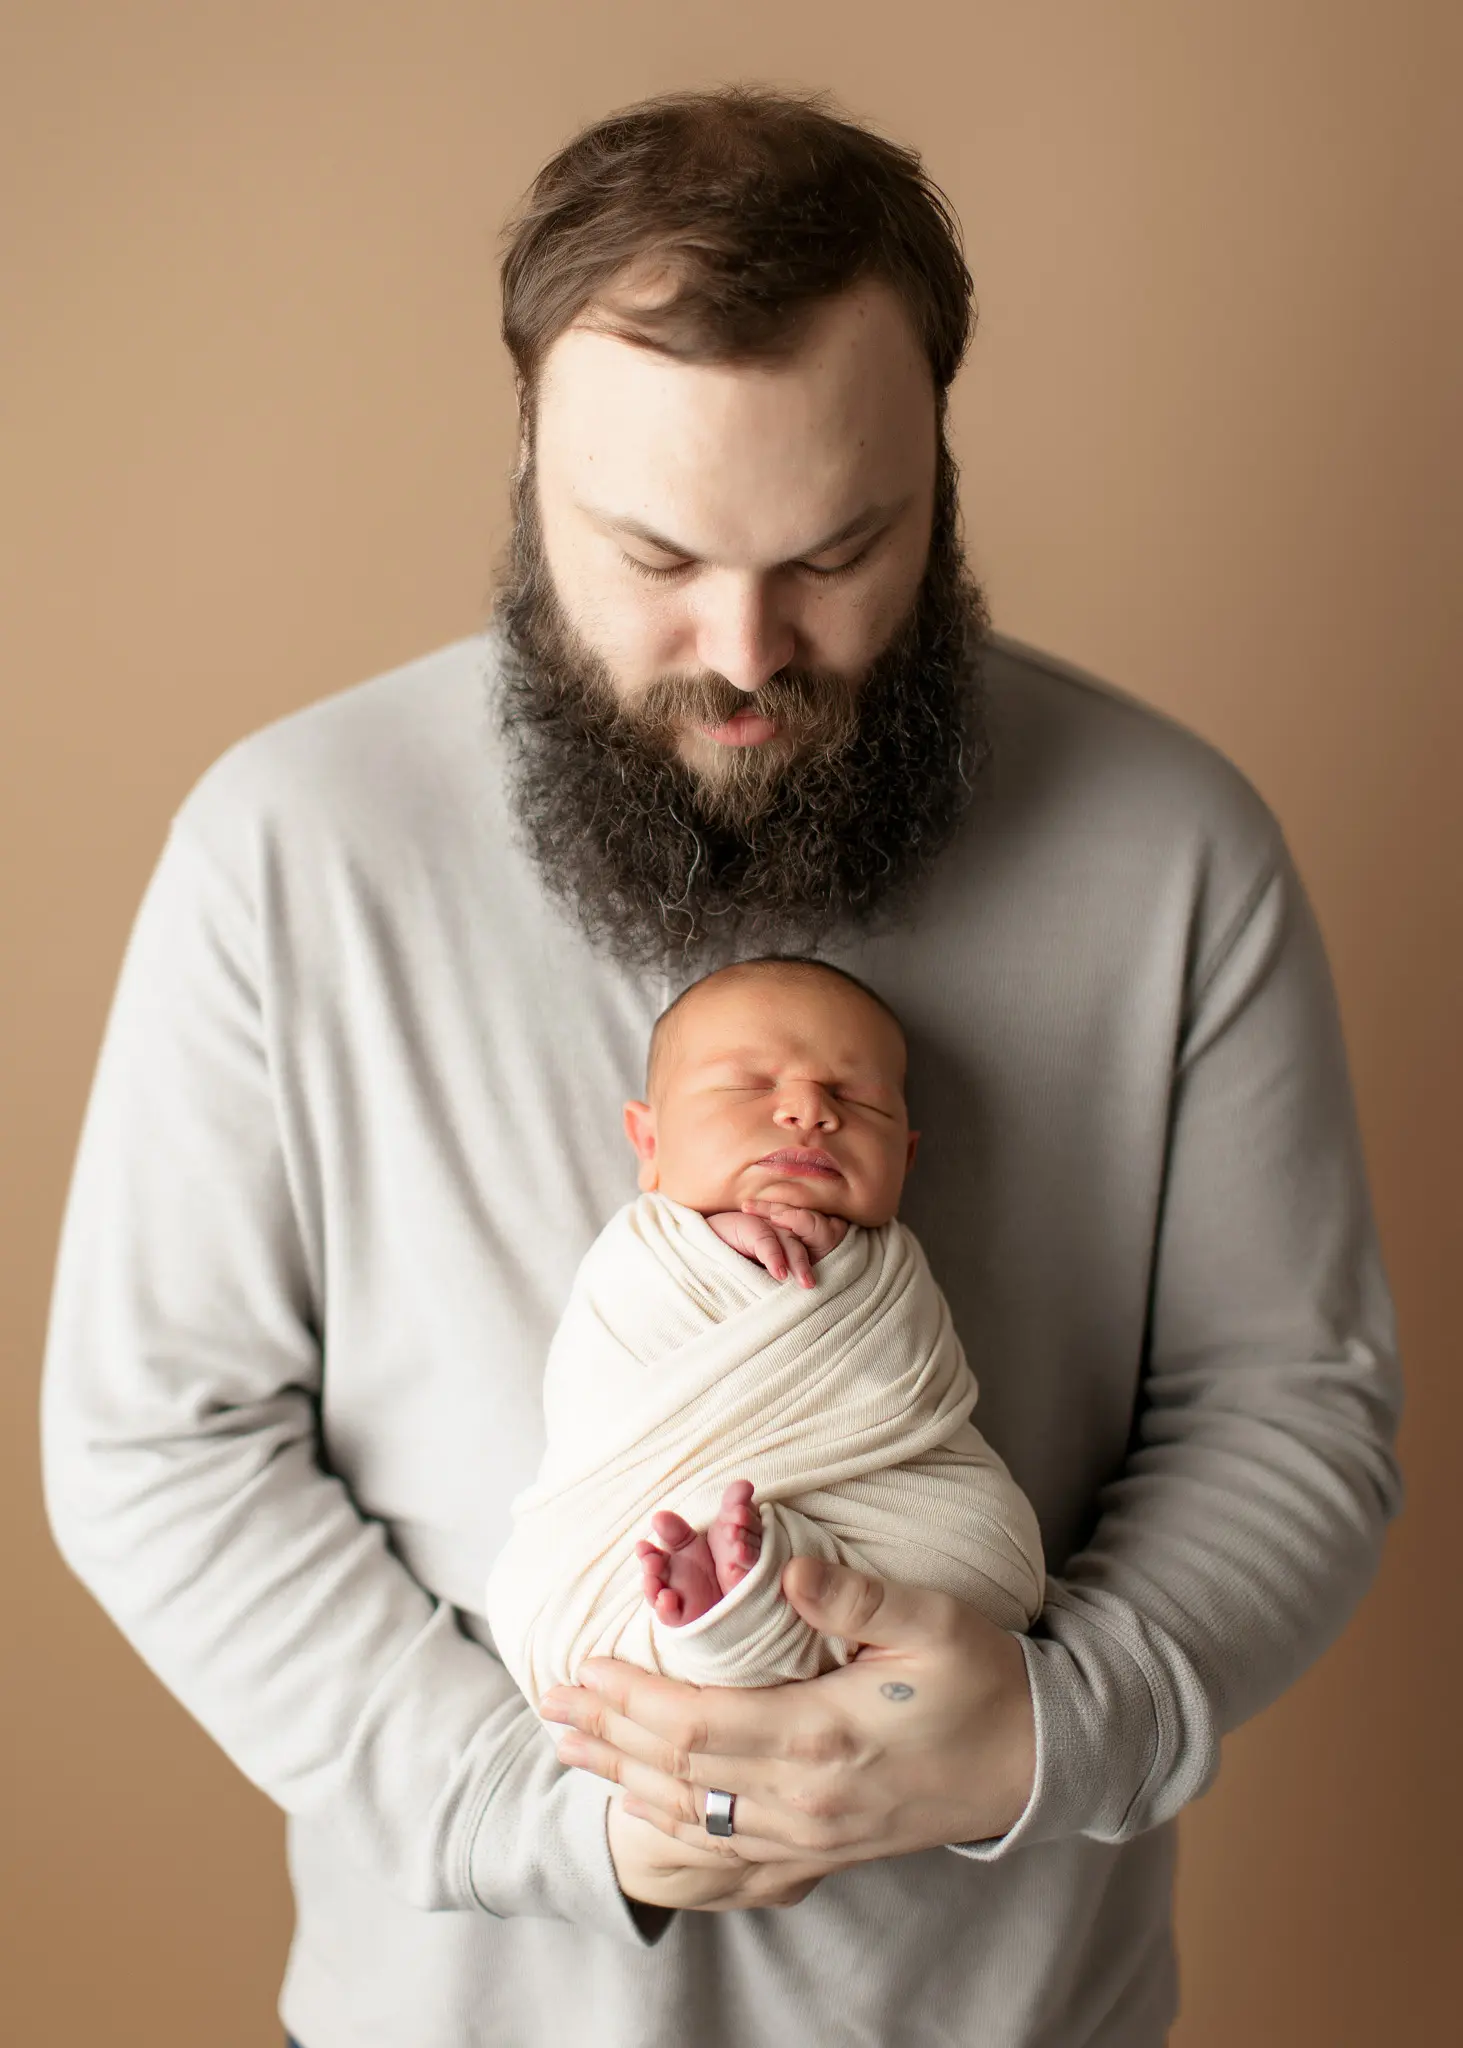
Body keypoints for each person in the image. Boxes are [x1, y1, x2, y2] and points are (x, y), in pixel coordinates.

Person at [40, 85, 1402, 2048]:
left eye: (838, 552)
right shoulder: (283, 851)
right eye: (653, 555)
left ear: (936, 453)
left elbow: (1288, 1405)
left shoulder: (1177, 850)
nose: (745, 650)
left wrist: (1042, 1727)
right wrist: (545, 1811)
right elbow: (154, 1446)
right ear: (525, 454)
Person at [483, 954, 1046, 1711]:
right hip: (644, 1516)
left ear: (905, 1159)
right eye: (751, 1085)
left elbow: (902, 1380)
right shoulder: (642, 1258)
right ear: (647, 1145)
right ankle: (737, 1607)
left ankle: (740, 1604)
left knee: (995, 1568)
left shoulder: (887, 1271)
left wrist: (834, 1266)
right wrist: (715, 1247)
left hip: (894, 1527)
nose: (808, 1111)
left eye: (857, 1099)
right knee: (557, 1609)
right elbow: (600, 1378)